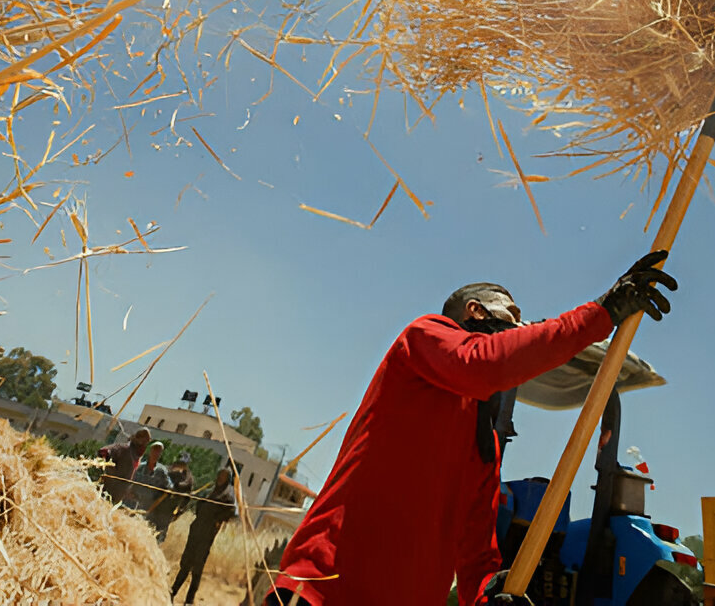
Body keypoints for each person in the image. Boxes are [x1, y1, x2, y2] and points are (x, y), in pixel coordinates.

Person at [268, 252, 677, 606]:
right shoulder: (424, 338)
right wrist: (602, 311)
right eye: (513, 316)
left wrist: (489, 592)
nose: (521, 326)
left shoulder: (485, 441)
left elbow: (476, 549)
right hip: (324, 589)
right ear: (475, 312)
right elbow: (488, 363)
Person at [172, 463, 239, 605]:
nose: (221, 478)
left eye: (224, 476)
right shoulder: (209, 491)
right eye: (220, 475)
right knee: (185, 563)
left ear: (227, 479)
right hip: (196, 530)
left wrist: (217, 520)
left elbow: (231, 513)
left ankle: (189, 600)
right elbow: (198, 504)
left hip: (207, 534)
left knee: (197, 568)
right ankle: (173, 591)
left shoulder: (227, 495)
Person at [98, 427, 151, 505]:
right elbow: (103, 452)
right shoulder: (124, 449)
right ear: (136, 439)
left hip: (117, 498)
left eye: (146, 442)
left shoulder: (136, 457)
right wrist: (110, 469)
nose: (144, 446)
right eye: (143, 442)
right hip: (106, 492)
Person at [134, 441, 173, 540]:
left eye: (158, 451)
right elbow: (130, 482)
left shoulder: (161, 471)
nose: (156, 453)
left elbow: (169, 488)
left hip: (150, 510)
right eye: (154, 450)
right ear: (150, 451)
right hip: (134, 506)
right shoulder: (139, 467)